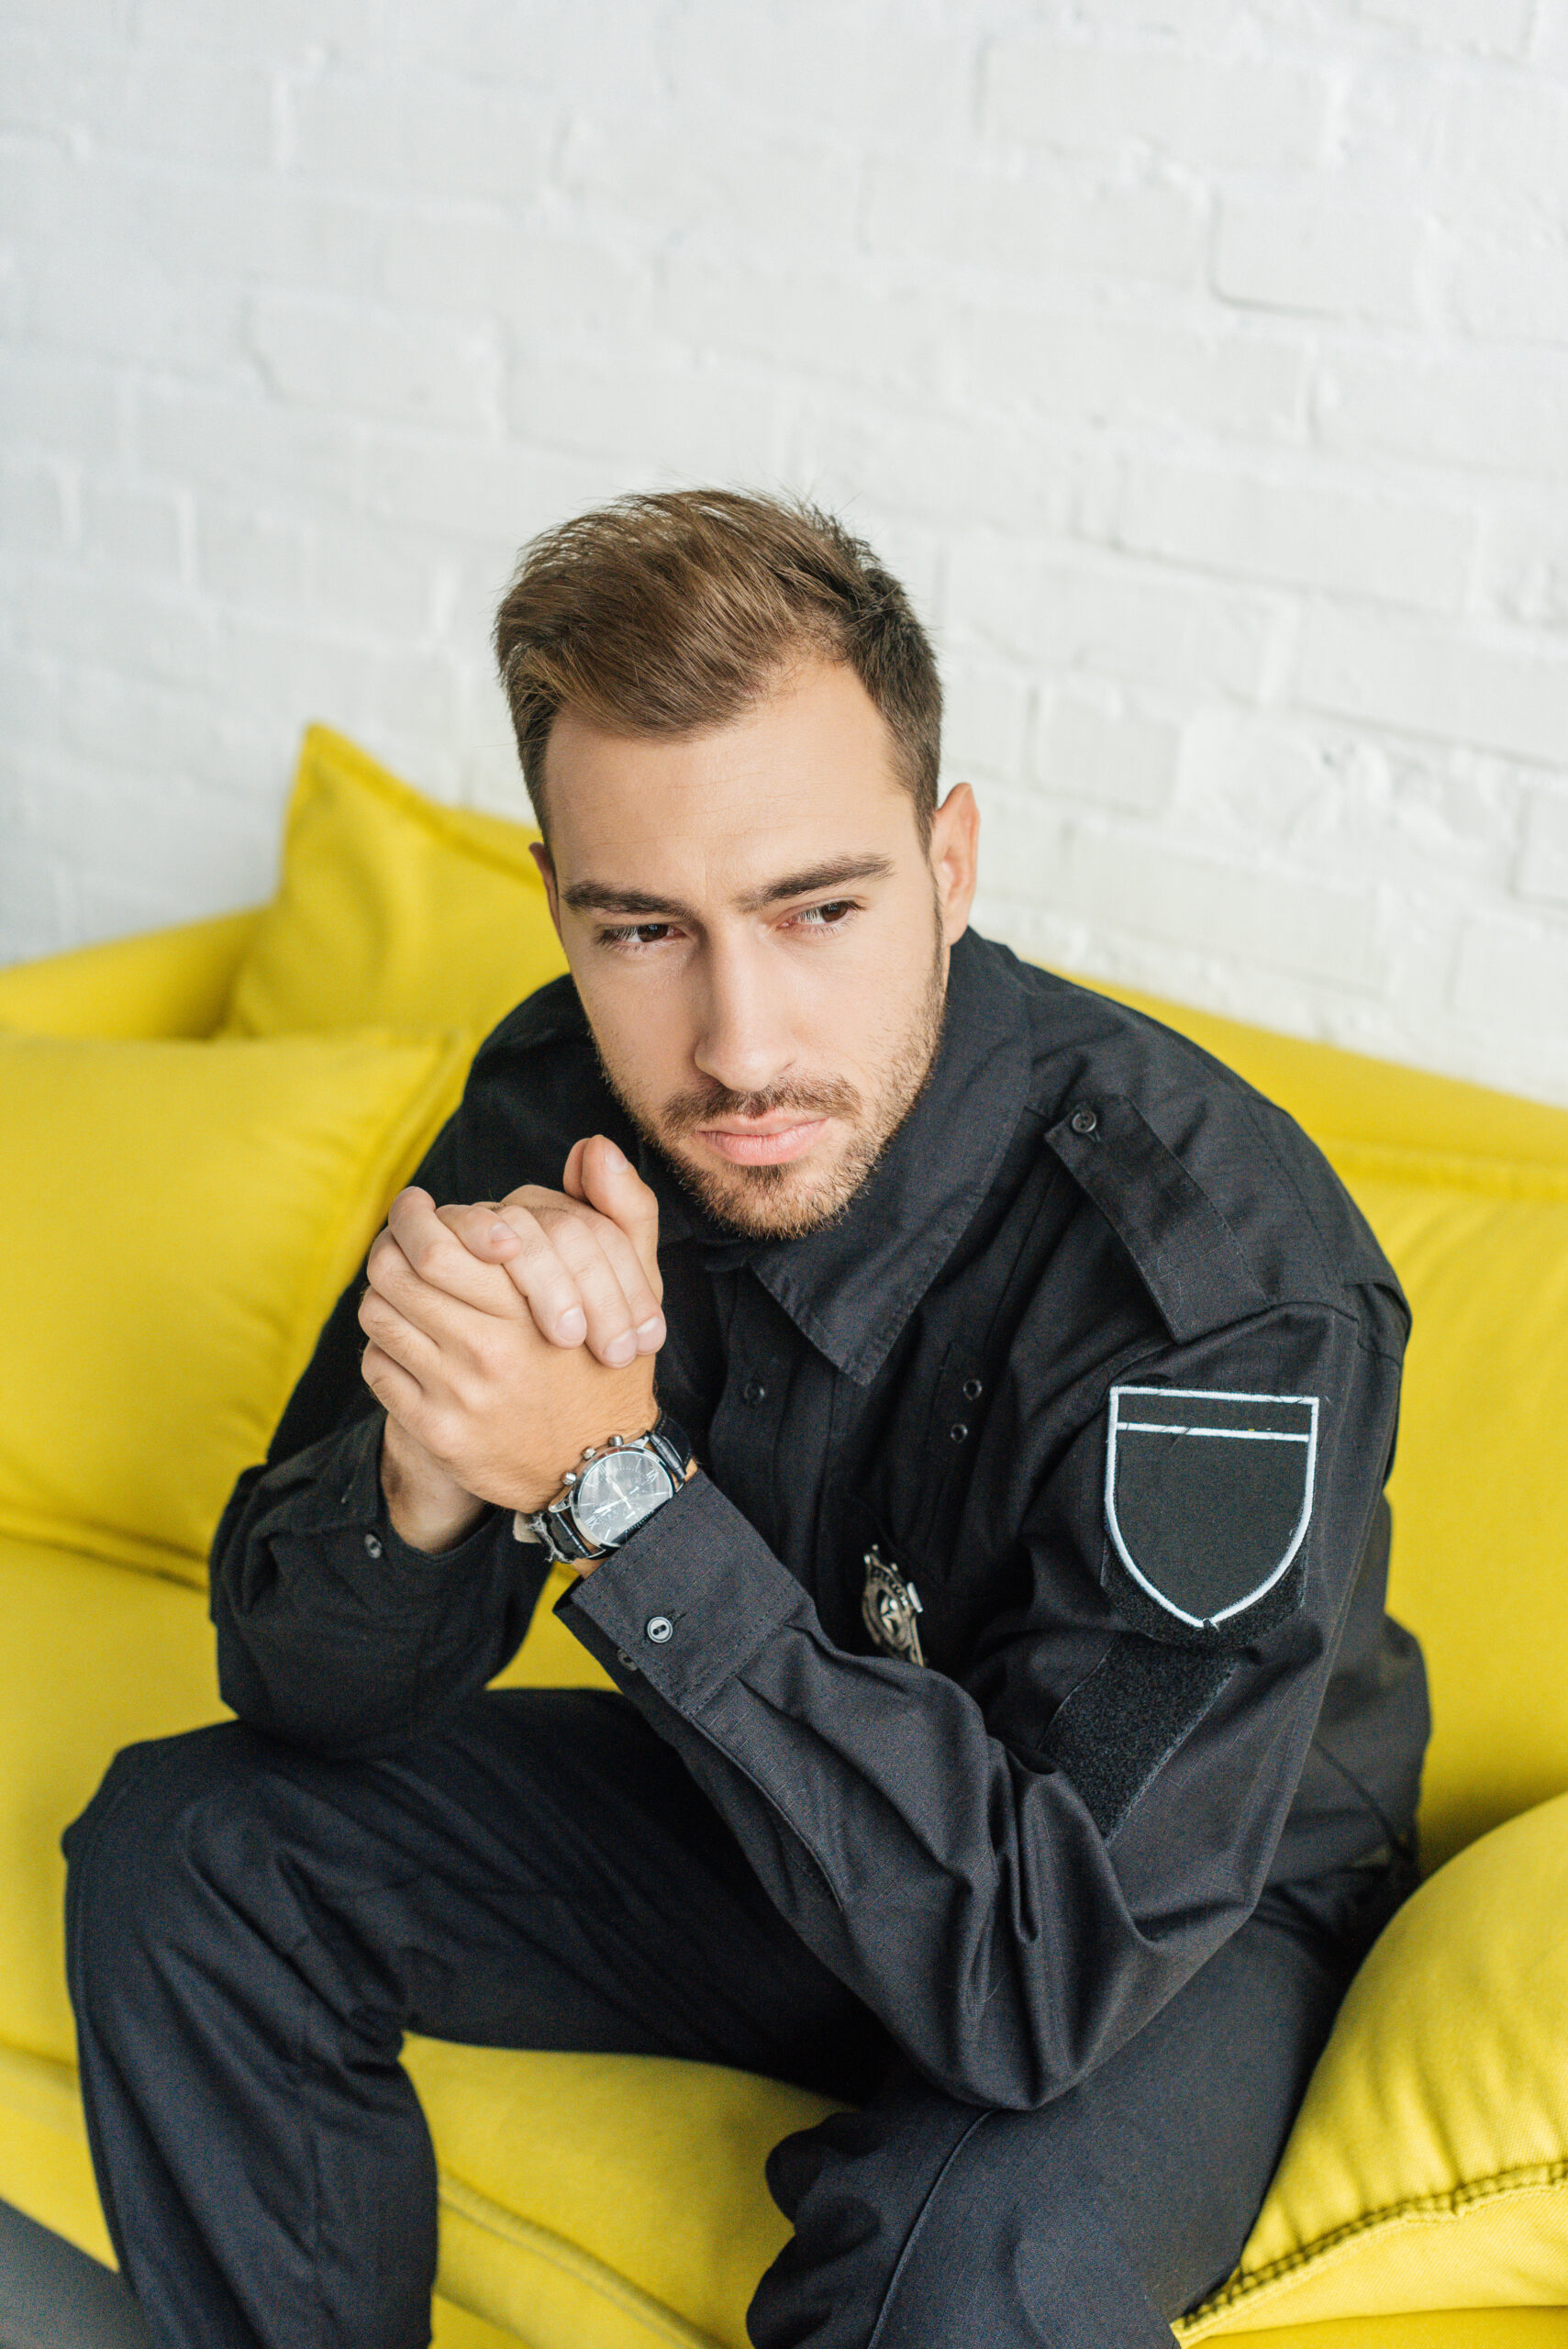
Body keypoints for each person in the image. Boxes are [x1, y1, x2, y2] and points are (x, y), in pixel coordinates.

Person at [64, 490, 1429, 2349]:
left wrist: (611, 1491)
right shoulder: (562, 1092)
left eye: (818, 908)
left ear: (949, 860)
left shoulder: (1216, 1274)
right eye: (644, 928)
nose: (737, 1041)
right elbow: (298, 1683)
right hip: (764, 1796)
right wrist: (439, 1465)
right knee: (192, 1851)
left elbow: (1039, 1977)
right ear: (559, 895)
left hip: (1149, 1915)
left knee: (964, 2263)